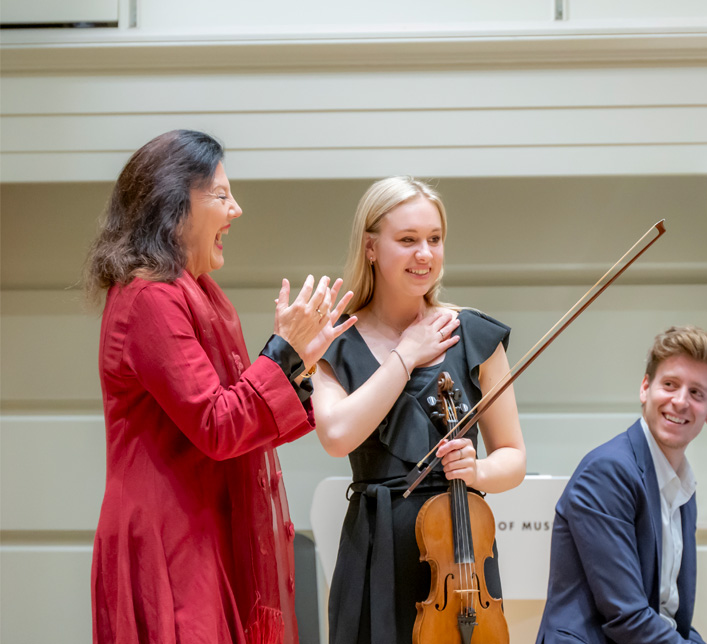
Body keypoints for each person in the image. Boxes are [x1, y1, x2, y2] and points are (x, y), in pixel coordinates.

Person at [85, 129, 356, 644]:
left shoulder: (200, 295)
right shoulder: (149, 298)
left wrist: (298, 362)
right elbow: (218, 424)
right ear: (173, 203)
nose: (236, 209)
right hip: (168, 536)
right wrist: (283, 353)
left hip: (198, 526)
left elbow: (237, 416)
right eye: (220, 194)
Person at [310, 176, 527, 643]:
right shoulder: (336, 343)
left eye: (434, 239)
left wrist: (477, 471)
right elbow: (335, 436)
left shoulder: (472, 334)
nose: (424, 254)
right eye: (407, 240)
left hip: (462, 560)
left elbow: (512, 457)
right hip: (375, 551)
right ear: (371, 247)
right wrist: (406, 355)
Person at [536, 325, 707, 644]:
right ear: (645, 388)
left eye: (696, 393)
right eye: (670, 384)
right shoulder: (608, 472)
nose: (680, 402)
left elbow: (670, 617)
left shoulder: (683, 488)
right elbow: (628, 617)